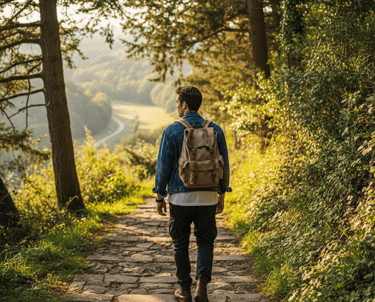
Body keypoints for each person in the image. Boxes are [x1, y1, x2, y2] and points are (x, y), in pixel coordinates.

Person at [153, 86, 231, 302]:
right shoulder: (215, 129)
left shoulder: (171, 130)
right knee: (205, 242)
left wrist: (160, 195)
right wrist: (221, 193)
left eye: (177, 102)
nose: (176, 105)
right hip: (207, 197)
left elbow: (164, 166)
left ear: (185, 104)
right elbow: (224, 164)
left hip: (179, 198)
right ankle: (202, 287)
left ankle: (184, 290)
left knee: (180, 243)